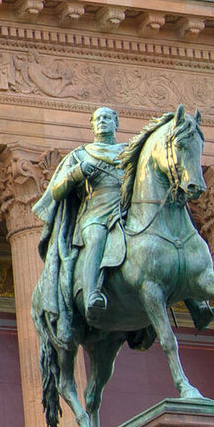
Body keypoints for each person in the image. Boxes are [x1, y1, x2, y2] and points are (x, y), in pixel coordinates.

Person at [33, 106, 127, 319]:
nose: (102, 121)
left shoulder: (129, 152)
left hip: (127, 211)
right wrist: (77, 172)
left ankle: (196, 303)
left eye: (107, 118)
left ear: (116, 124)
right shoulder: (80, 155)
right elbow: (56, 192)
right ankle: (92, 293)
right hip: (96, 214)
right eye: (98, 118)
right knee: (95, 239)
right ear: (92, 124)